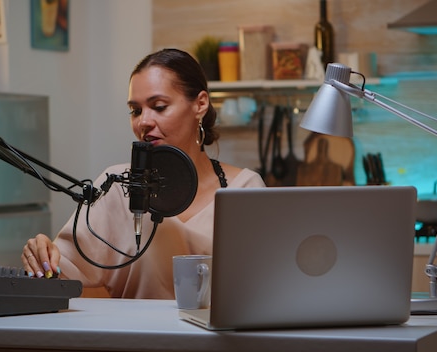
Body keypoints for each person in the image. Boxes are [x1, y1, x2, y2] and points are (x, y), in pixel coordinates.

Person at [22, 48, 265, 299]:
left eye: (159, 107)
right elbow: (61, 277)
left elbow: (266, 288)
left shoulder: (244, 189)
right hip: (134, 338)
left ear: (200, 104)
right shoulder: (116, 187)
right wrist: (42, 255)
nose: (143, 122)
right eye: (135, 111)